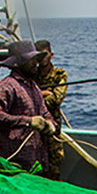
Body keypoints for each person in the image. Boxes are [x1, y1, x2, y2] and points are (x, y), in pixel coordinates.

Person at [0, 40, 57, 176]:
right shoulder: (7, 86)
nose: (35, 63)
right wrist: (29, 122)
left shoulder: (34, 87)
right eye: (31, 60)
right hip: (17, 165)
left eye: (36, 59)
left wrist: (49, 124)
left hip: (38, 163)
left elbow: (44, 112)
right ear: (16, 63)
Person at [33, 40, 68, 180]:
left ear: (51, 55)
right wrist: (43, 93)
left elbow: (56, 99)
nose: (42, 59)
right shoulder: (32, 74)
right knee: (35, 168)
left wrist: (36, 97)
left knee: (54, 166)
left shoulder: (59, 75)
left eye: (45, 55)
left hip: (52, 128)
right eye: (39, 55)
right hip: (34, 130)